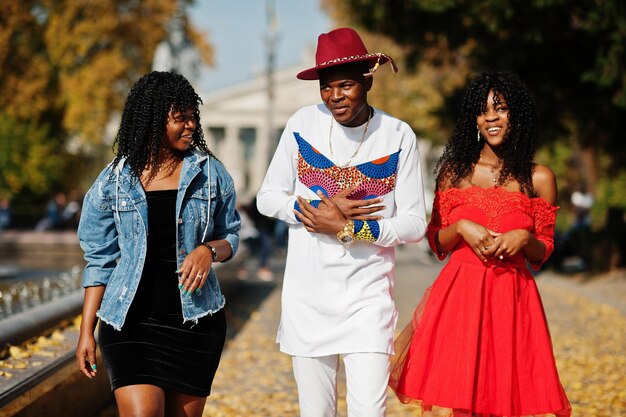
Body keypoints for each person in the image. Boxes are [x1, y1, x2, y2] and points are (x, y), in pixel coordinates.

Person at [256, 27, 427, 417]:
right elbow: (267, 198)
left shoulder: (398, 135)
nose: (335, 97)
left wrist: (350, 228)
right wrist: (317, 210)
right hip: (307, 301)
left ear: (367, 80)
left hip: (368, 302)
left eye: (346, 85)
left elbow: (415, 223)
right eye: (326, 87)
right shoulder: (301, 124)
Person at [389, 71, 571, 417]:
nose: (491, 117)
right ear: (474, 119)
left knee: (507, 400)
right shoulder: (453, 173)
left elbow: (544, 249)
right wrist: (459, 227)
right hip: (461, 297)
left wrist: (525, 238)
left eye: (501, 109)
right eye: (483, 110)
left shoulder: (539, 177)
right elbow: (436, 241)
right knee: (466, 402)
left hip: (512, 299)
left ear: (517, 115)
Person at [75, 71, 240, 417]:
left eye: (193, 117)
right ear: (152, 120)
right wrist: (86, 332)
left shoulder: (211, 174)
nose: (191, 126)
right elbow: (100, 260)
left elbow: (231, 236)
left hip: (195, 324)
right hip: (130, 324)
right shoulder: (113, 181)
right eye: (180, 118)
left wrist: (208, 251)